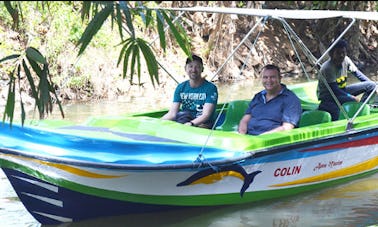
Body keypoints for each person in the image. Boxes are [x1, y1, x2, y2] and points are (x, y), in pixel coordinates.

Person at [317, 39, 377, 121]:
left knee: (372, 85)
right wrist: (351, 97)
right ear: (331, 54)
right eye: (338, 53)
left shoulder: (346, 60)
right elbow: (334, 90)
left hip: (343, 91)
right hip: (329, 96)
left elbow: (358, 75)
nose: (341, 55)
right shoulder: (327, 68)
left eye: (343, 53)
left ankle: (361, 108)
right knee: (338, 111)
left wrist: (375, 87)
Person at [238, 64, 302, 135]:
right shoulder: (258, 97)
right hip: (249, 137)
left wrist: (262, 137)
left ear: (280, 78)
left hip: (271, 141)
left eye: (272, 77)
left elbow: (287, 128)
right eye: (265, 77)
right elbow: (245, 120)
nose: (269, 80)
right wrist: (241, 134)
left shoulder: (290, 99)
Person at [161, 54, 218, 128]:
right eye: (190, 66)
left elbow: (206, 115)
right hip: (185, 120)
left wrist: (191, 124)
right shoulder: (181, 87)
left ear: (202, 69)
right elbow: (172, 113)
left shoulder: (211, 88)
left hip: (204, 124)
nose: (194, 70)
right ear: (185, 68)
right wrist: (158, 122)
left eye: (197, 67)